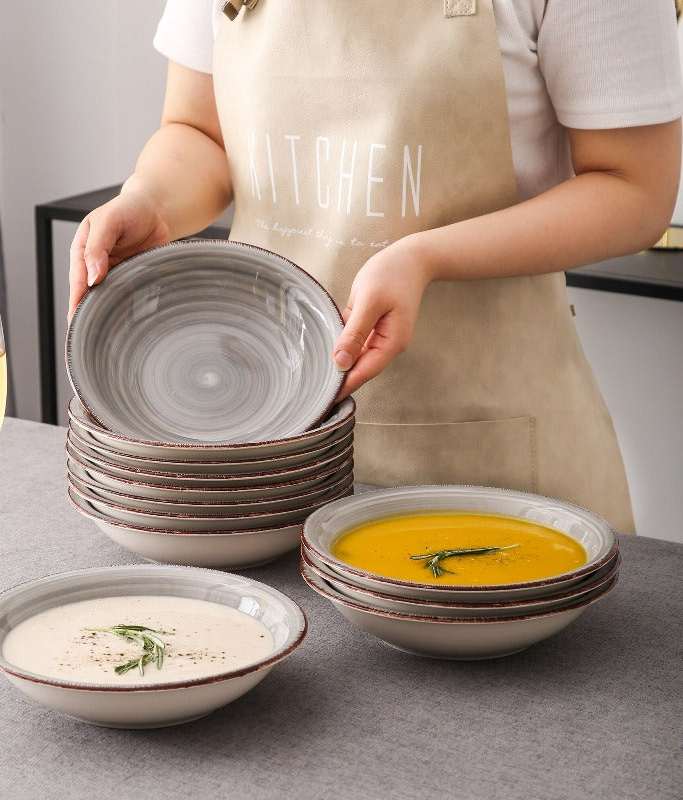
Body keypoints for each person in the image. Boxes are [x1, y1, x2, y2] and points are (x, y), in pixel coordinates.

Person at [68, 0, 683, 534]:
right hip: (268, 458)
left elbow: (634, 190)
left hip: (495, 466)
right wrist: (151, 200)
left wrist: (427, 256)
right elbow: (199, 132)